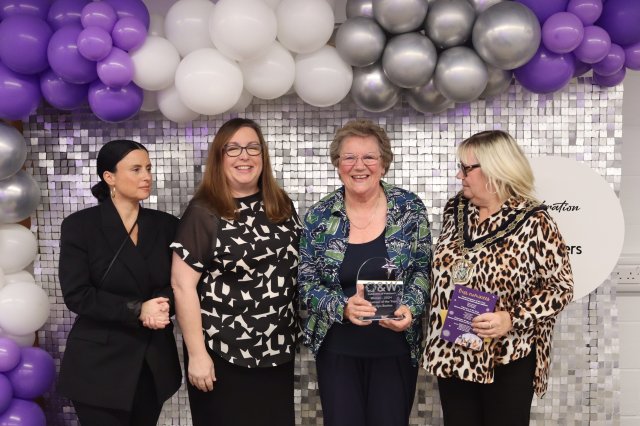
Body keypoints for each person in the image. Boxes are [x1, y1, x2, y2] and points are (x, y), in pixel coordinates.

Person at [423, 130, 574, 425]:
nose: (459, 175)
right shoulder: (456, 210)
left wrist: (512, 318)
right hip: (453, 353)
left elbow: (560, 287)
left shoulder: (535, 221)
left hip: (506, 357)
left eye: (466, 168)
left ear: (495, 169)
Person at [298, 119, 432, 426]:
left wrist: (410, 308)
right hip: (337, 351)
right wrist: (342, 307)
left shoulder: (409, 208)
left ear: (384, 163)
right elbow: (306, 283)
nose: (360, 166)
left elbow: (423, 270)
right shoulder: (320, 215)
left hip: (395, 348)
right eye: (349, 157)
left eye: (369, 157)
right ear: (337, 164)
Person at [170, 118, 301, 426]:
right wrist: (198, 355)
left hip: (276, 353)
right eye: (233, 149)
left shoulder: (281, 204)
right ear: (219, 157)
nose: (245, 156)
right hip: (223, 355)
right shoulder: (203, 212)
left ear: (263, 156)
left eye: (253, 147)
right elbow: (181, 286)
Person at [58, 140, 182, 425]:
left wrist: (163, 305)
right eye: (136, 169)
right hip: (98, 365)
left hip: (151, 363)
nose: (147, 176)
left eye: (148, 168)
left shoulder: (167, 225)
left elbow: (178, 283)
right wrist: (138, 309)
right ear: (109, 177)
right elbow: (78, 295)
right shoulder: (79, 226)